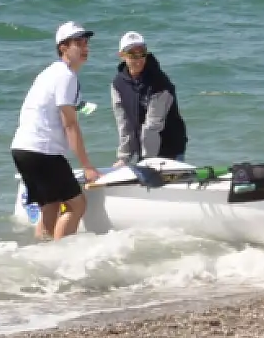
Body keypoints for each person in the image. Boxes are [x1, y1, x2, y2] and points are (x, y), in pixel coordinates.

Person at [11, 21, 103, 241]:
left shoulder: (49, 73)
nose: (85, 47)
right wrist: (87, 166)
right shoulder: (65, 76)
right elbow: (69, 124)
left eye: (86, 42)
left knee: (50, 207)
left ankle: (41, 255)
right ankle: (58, 255)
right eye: (78, 42)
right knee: (76, 205)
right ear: (63, 47)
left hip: (22, 149)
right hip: (43, 151)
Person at [111, 31, 189, 164]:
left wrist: (147, 161)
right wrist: (124, 158)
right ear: (122, 55)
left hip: (170, 149)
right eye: (132, 54)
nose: (138, 59)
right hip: (146, 150)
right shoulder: (118, 84)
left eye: (142, 53)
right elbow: (123, 123)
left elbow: (152, 126)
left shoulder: (159, 83)